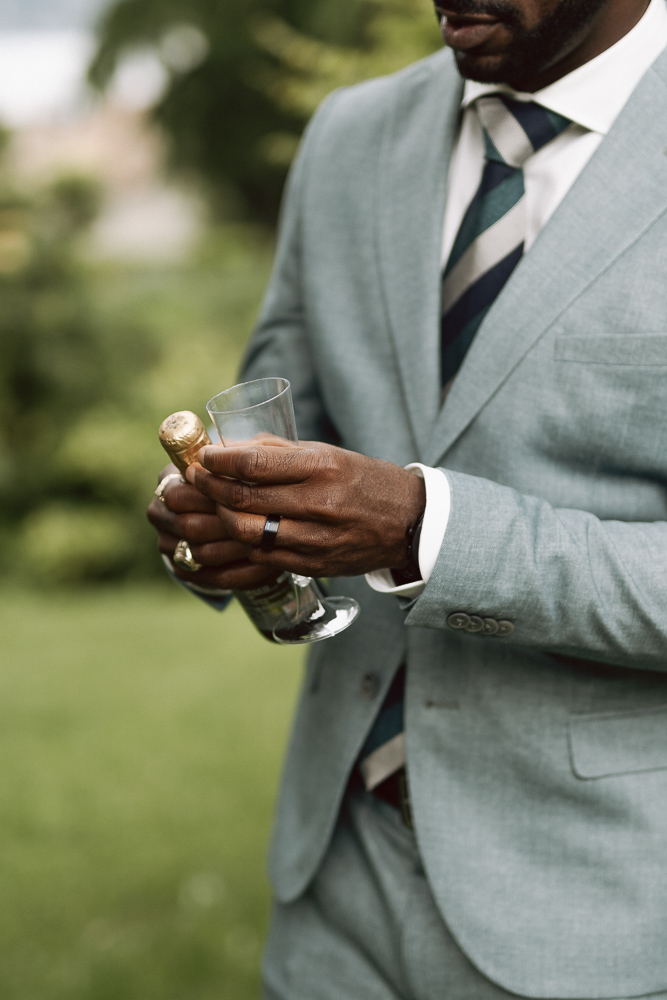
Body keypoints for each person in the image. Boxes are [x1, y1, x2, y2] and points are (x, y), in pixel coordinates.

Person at [147, 0, 667, 995]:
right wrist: (214, 514)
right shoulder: (350, 134)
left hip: (602, 910)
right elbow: (274, 412)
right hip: (334, 883)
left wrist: (427, 529)